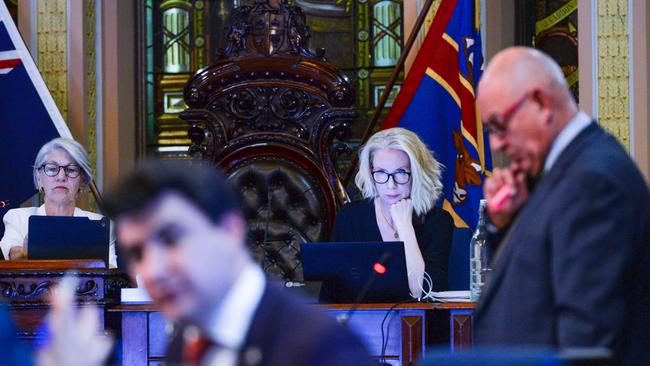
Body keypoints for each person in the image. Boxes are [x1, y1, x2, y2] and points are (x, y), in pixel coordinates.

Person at [473, 46, 650, 365]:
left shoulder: (592, 181)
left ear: (540, 103)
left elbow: (586, 340)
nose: (496, 144)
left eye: (499, 126)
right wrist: (506, 225)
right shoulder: (563, 170)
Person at [102, 160, 371, 366]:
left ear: (230, 230)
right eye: (136, 253)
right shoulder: (185, 342)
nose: (153, 270)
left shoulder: (324, 349)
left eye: (172, 239)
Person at [331, 127, 453, 298]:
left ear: (417, 173)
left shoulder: (438, 221)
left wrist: (405, 228)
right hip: (361, 321)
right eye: (381, 173)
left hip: (417, 322)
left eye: (401, 172)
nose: (391, 185)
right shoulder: (350, 217)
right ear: (370, 173)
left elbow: (423, 293)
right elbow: (332, 294)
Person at [0, 137, 117, 267]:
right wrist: (24, 252)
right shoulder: (17, 218)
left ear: (83, 181)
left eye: (71, 169)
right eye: (52, 169)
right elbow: (10, 256)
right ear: (39, 178)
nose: (61, 177)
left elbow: (111, 272)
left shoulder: (102, 226)